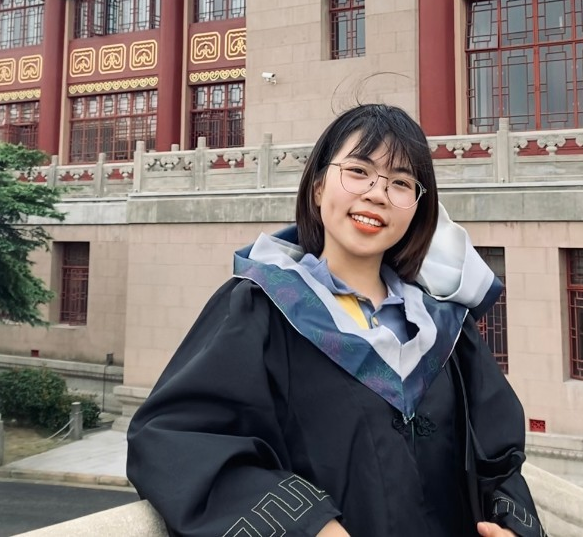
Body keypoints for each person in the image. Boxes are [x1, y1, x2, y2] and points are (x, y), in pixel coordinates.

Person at [127, 104, 545, 537]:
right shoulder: (261, 309)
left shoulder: (446, 328)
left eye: (401, 183)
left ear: (417, 210)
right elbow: (174, 439)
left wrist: (512, 525)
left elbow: (499, 461)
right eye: (359, 171)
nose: (378, 194)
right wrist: (305, 523)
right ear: (317, 187)